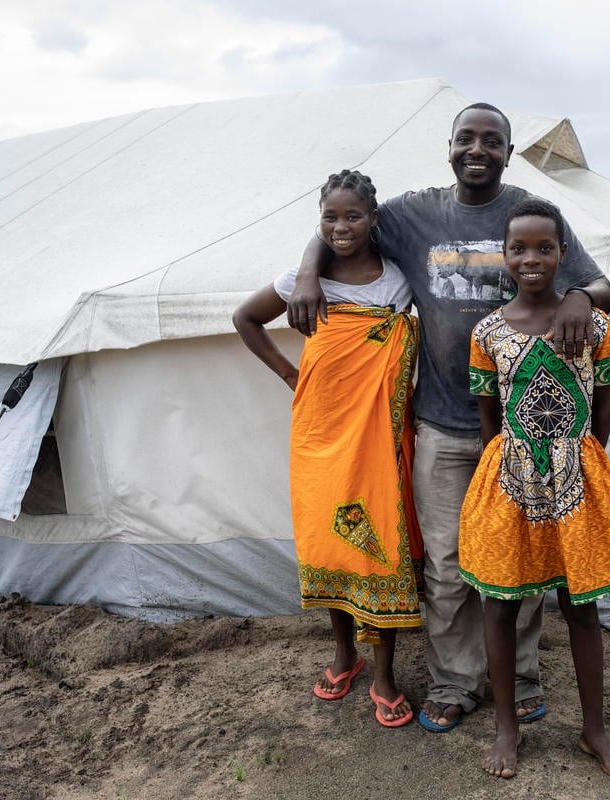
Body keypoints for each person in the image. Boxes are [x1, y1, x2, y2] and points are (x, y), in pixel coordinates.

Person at [285, 103, 610, 733]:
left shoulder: (528, 211)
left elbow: (598, 283)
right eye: (467, 138)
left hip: (525, 434)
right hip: (440, 424)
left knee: (520, 558)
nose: (478, 149)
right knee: (445, 561)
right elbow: (342, 226)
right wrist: (306, 273)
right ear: (449, 146)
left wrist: (577, 295)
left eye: (493, 141)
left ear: (509, 152)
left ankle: (517, 678)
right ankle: (454, 681)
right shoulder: (414, 213)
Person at [459, 198, 610, 781]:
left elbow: (605, 403)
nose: (532, 258)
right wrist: (513, 462)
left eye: (545, 248)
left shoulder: (593, 324)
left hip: (578, 479)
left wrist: (579, 459)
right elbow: (490, 415)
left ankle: (593, 730)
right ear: (505, 256)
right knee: (500, 605)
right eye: (519, 248)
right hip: (510, 480)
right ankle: (507, 728)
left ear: (564, 253)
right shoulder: (487, 331)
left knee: (581, 605)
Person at [232, 169, 421, 729]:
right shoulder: (300, 280)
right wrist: (294, 377)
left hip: (380, 431)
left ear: (374, 219)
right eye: (330, 217)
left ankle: (384, 674)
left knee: (379, 539)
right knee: (328, 543)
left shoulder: (399, 280)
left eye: (353, 216)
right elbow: (246, 318)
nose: (341, 227)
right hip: (319, 433)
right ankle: (344, 653)